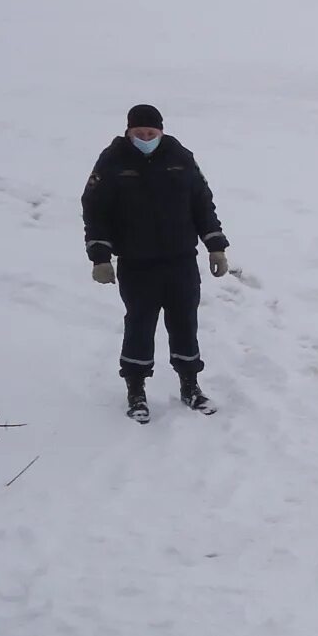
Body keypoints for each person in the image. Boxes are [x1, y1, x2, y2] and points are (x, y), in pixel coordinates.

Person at [81, 104, 231, 421]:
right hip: (137, 263)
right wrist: (100, 257)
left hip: (180, 260)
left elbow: (202, 202)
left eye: (151, 133)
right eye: (139, 133)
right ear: (129, 131)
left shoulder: (180, 158)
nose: (146, 138)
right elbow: (96, 211)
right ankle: (136, 390)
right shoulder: (112, 161)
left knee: (184, 323)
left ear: (161, 131)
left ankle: (190, 385)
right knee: (140, 324)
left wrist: (215, 245)